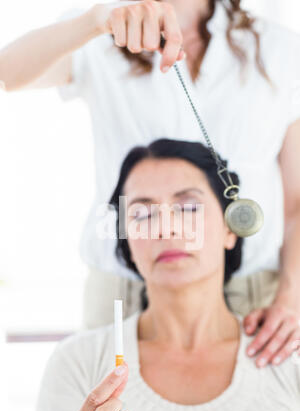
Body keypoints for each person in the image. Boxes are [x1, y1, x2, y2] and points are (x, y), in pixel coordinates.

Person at [1, 1, 300, 366]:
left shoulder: (281, 51)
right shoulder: (98, 35)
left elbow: (296, 202)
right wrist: (95, 22)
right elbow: (7, 72)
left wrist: (291, 296)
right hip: (124, 291)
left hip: (252, 298)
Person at [30, 139, 300, 411]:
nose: (165, 228)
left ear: (230, 228)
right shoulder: (78, 364)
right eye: (142, 215)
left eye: (187, 208)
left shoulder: (287, 359)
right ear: (127, 240)